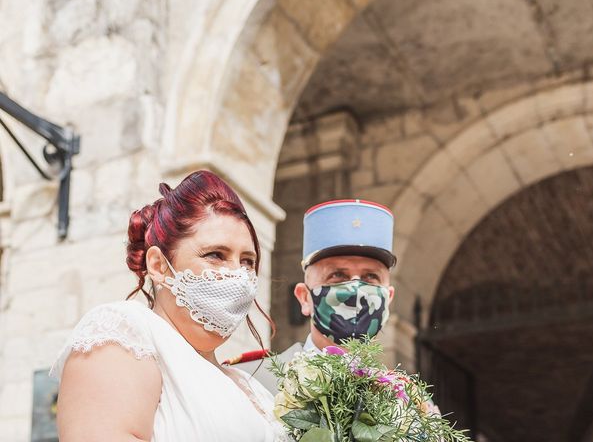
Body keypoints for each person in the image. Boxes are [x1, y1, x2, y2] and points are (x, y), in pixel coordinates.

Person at [50, 170, 288, 441]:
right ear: (159, 265)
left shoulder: (251, 388)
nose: (237, 275)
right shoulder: (124, 335)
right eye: (215, 255)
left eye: (247, 261)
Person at [230, 199, 396, 392]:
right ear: (304, 297)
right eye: (338, 275)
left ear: (389, 298)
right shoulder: (248, 381)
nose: (355, 288)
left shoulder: (408, 401)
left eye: (371, 277)